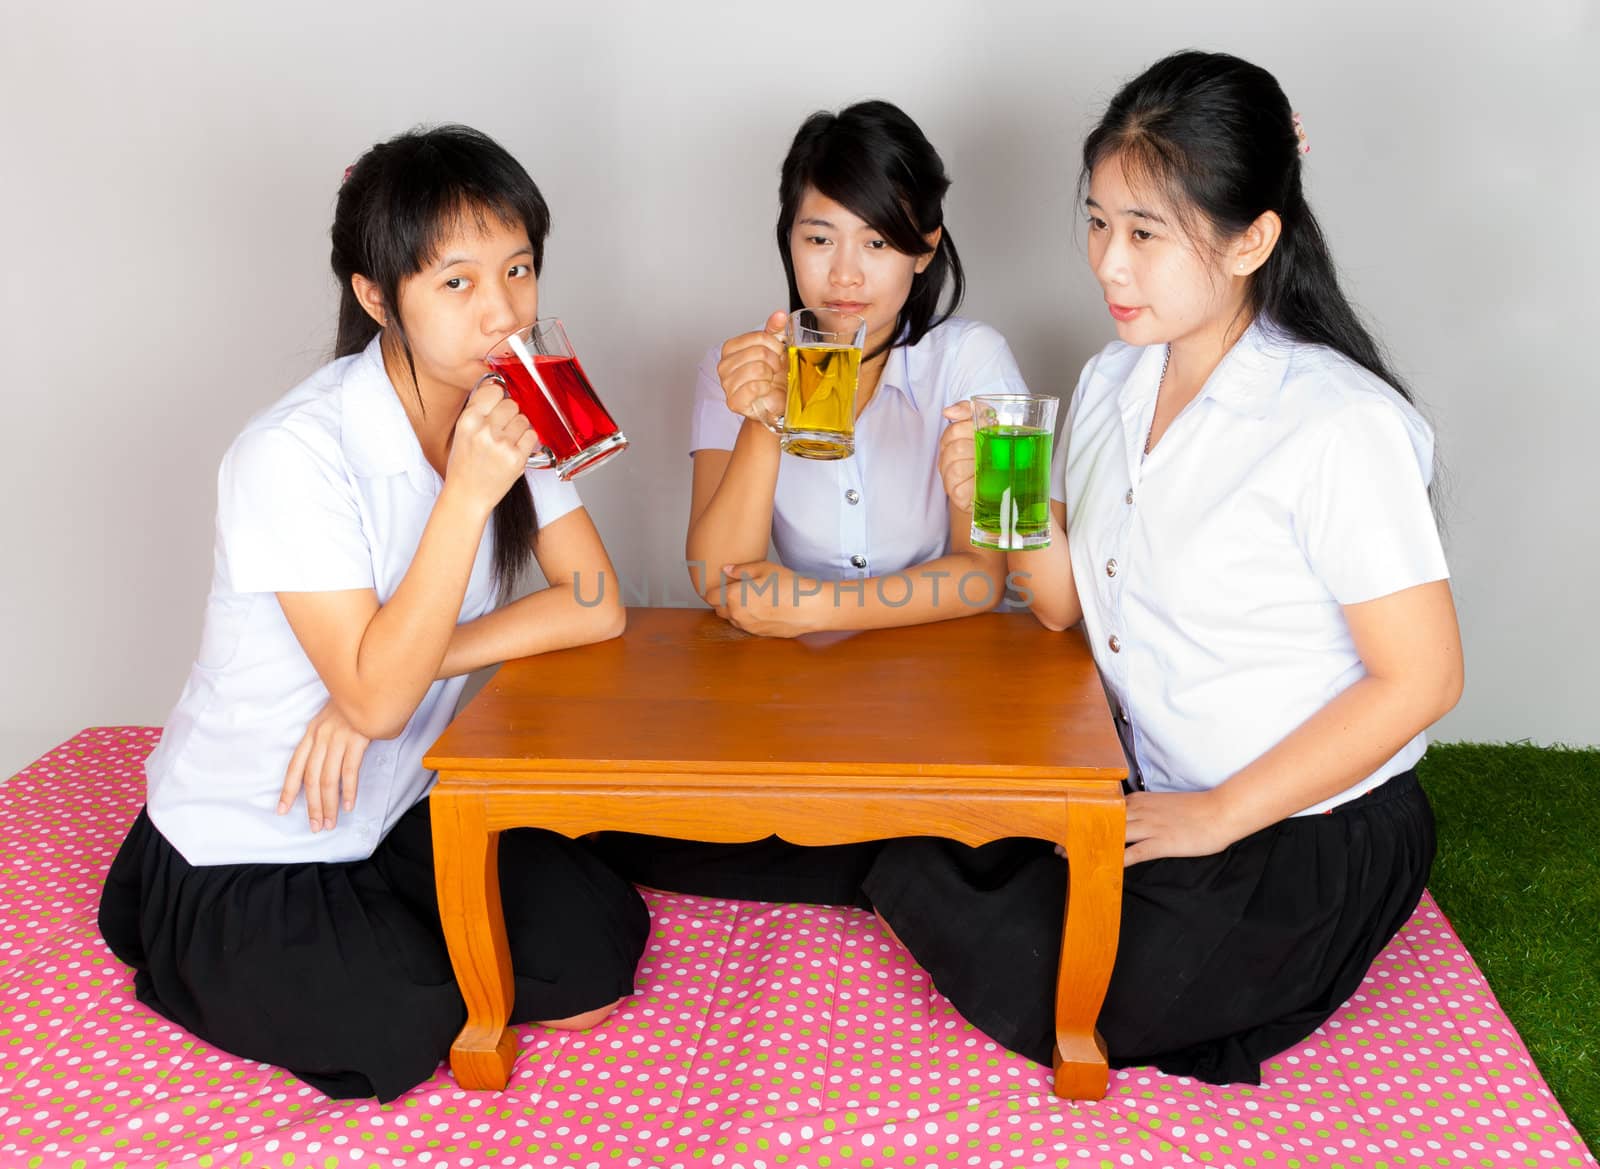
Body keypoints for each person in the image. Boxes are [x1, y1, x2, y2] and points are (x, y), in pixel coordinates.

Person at [864, 51, 1464, 1085]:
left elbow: (1424, 679)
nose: (1107, 264)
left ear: (1251, 240)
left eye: (1145, 234)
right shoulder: (1110, 381)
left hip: (1300, 824)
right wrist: (992, 504)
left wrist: (1220, 813)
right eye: (1097, 222)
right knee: (912, 839)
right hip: (1145, 779)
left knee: (1065, 991)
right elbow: (1062, 605)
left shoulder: (1337, 423)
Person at [97, 125, 649, 1103]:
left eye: (519, 269)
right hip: (256, 833)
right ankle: (184, 933)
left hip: (396, 799)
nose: (503, 312)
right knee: (405, 1022)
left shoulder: (514, 403)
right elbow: (378, 693)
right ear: (374, 295)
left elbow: (596, 603)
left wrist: (392, 678)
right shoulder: (289, 454)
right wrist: (468, 496)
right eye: (457, 283)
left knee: (591, 950)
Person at [595, 100, 1031, 908]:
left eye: (877, 242)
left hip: (932, 691)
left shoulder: (969, 359)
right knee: (615, 832)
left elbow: (983, 574)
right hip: (783, 703)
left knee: (987, 850)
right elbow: (716, 574)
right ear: (788, 241)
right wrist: (764, 416)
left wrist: (817, 606)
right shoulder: (734, 367)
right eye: (819, 238)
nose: (845, 275)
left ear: (925, 248)